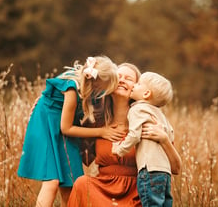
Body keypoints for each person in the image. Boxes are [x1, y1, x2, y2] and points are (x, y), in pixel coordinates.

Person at [17, 56, 124, 207]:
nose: (103, 92)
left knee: (70, 182)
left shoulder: (84, 84)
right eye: (103, 87)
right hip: (47, 124)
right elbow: (66, 128)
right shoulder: (72, 89)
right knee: (52, 181)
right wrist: (102, 132)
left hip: (64, 123)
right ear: (96, 82)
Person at [68, 63, 180, 207]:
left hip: (137, 190)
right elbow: (70, 135)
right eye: (117, 76)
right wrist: (46, 102)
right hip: (102, 189)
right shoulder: (97, 121)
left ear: (140, 88)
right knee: (82, 183)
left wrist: (164, 140)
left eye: (128, 78)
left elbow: (176, 169)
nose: (121, 80)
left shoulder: (148, 121)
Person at [112, 71, 181, 207]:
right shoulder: (161, 116)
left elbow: (134, 135)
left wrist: (119, 149)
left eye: (137, 84)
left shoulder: (137, 109)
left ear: (146, 94)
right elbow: (171, 134)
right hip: (165, 173)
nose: (134, 86)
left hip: (149, 170)